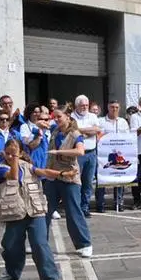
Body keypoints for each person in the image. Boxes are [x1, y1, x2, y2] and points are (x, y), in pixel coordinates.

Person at [0, 139, 75, 280]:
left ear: (21, 153)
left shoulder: (28, 166)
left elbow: (44, 172)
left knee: (39, 243)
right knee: (10, 245)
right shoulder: (0, 168)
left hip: (35, 210)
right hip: (15, 213)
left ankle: (50, 277)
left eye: (14, 153)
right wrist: (14, 159)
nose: (11, 157)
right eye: (8, 154)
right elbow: (12, 177)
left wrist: (62, 173)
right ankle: (12, 272)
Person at [46, 109, 94, 258]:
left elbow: (80, 152)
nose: (57, 119)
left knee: (73, 212)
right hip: (53, 175)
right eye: (55, 117)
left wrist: (59, 153)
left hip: (70, 177)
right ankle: (38, 241)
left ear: (67, 117)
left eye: (59, 117)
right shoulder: (54, 131)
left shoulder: (75, 134)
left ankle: (84, 244)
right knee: (44, 210)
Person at [96, 100, 129, 213]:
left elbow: (127, 137)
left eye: (116, 107)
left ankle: (119, 203)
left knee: (119, 177)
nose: (114, 109)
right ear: (108, 108)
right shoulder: (101, 121)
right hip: (105, 154)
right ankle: (100, 204)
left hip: (120, 154)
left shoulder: (123, 122)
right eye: (112, 107)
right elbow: (98, 136)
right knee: (102, 178)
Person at [72, 95, 101, 218]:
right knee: (76, 182)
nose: (85, 107)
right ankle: (76, 207)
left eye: (86, 105)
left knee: (88, 182)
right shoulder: (72, 117)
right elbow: (73, 131)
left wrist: (81, 131)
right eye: (82, 105)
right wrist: (89, 131)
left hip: (91, 152)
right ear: (77, 106)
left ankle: (85, 207)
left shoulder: (93, 116)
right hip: (78, 153)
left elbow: (97, 130)